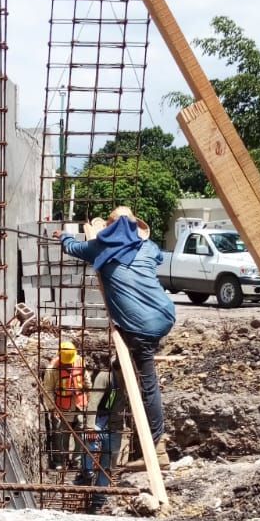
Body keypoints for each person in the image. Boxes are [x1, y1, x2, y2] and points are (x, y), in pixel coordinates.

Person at [59, 207, 175, 489]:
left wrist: (63, 235)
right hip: (165, 314)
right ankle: (134, 444)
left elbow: (72, 247)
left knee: (147, 384)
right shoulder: (147, 247)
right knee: (128, 378)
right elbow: (157, 255)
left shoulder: (100, 246)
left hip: (141, 327)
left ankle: (156, 447)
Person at [42, 337, 89, 470]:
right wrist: (53, 408)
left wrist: (88, 395)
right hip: (62, 406)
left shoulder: (79, 361)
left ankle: (77, 462)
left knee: (80, 432)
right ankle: (60, 462)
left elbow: (85, 378)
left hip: (79, 404)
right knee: (61, 435)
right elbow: (48, 390)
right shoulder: (53, 369)